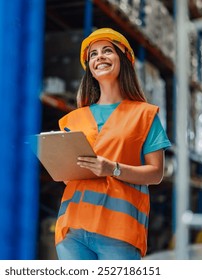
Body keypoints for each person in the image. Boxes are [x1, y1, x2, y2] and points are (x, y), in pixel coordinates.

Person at [55, 28, 171, 260]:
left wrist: (113, 169)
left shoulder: (144, 115)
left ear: (124, 59)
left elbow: (156, 173)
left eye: (108, 51)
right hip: (72, 230)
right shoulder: (73, 119)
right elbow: (69, 175)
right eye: (93, 55)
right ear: (89, 67)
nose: (100, 57)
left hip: (119, 233)